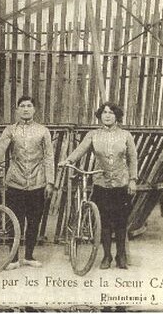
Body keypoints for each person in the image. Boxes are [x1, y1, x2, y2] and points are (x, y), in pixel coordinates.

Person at [59, 102, 138, 270]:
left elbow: (133, 159)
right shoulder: (93, 134)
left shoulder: (126, 135)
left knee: (121, 221)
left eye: (110, 113)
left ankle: (121, 255)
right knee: (104, 222)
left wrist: (133, 180)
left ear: (117, 116)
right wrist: (69, 160)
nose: (107, 115)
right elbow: (80, 150)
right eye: (104, 113)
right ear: (100, 116)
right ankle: (107, 256)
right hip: (101, 183)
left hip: (121, 183)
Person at [0, 96, 55, 270]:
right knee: (14, 220)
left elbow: (48, 157)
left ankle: (29, 256)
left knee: (34, 221)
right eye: (22, 106)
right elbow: (0, 149)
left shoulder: (43, 131)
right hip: (15, 182)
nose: (26, 109)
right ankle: (14, 258)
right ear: (17, 110)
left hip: (38, 182)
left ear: (34, 110)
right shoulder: (10, 130)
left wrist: (50, 182)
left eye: (29, 106)